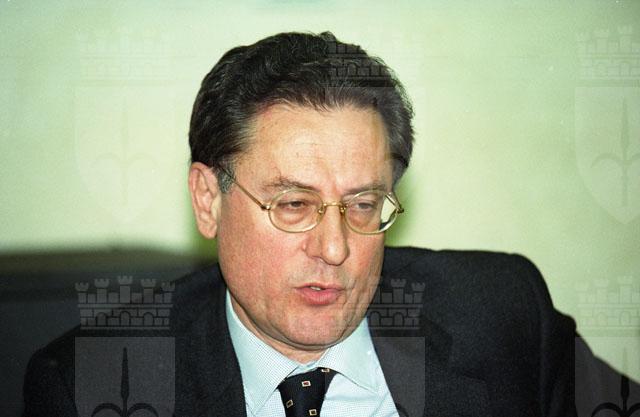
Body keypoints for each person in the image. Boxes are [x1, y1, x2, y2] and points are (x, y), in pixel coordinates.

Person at [23, 31, 636, 417]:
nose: (336, 248)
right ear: (209, 200)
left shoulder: (501, 311)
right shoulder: (93, 383)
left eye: (363, 205)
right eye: (293, 204)